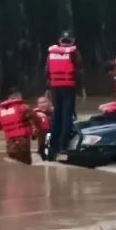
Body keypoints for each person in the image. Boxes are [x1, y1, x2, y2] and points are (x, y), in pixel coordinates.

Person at [44, 30, 86, 160]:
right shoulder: (74, 52)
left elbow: (46, 70)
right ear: (72, 41)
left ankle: (53, 145)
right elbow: (79, 69)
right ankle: (64, 145)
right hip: (68, 87)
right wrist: (81, 89)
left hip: (55, 87)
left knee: (57, 114)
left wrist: (48, 88)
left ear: (60, 41)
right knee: (67, 115)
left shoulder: (52, 53)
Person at [0, 89, 36, 165]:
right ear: (19, 97)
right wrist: (34, 134)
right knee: (26, 163)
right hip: (23, 140)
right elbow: (35, 120)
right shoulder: (24, 107)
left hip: (10, 141)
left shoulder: (0, 111)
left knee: (13, 162)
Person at [32, 95, 53, 161]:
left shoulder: (57, 112)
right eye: (40, 103)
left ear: (50, 103)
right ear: (38, 105)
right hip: (42, 141)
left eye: (44, 102)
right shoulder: (34, 113)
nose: (42, 104)